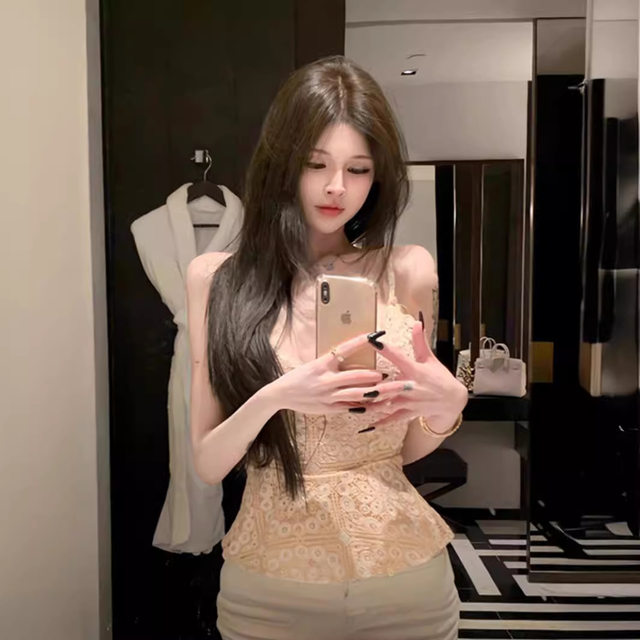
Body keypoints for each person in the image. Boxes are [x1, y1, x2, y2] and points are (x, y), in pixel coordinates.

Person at [186, 55, 468, 640]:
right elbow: (208, 464)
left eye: (358, 169)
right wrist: (278, 396)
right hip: (267, 593)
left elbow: (405, 450)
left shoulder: (407, 270)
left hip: (405, 585)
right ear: (283, 162)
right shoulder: (216, 279)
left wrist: (446, 409)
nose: (337, 186)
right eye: (316, 163)